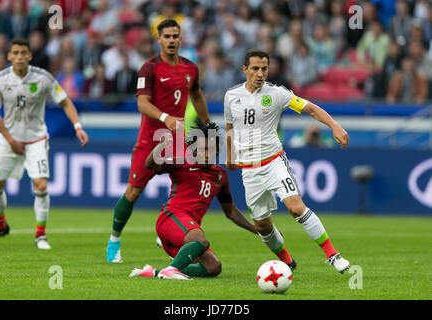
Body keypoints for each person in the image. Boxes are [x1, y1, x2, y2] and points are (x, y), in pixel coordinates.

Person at [224, 49, 351, 273]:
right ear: (244, 70)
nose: (260, 73)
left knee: (295, 207)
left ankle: (332, 254)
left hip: (273, 161)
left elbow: (310, 108)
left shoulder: (277, 94)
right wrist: (229, 156)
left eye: (264, 68)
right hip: (249, 168)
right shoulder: (231, 96)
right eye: (255, 69)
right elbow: (230, 127)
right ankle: (286, 260)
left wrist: (334, 126)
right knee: (262, 225)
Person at [106, 19, 210, 263]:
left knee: (193, 189)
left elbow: (197, 96)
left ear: (181, 38)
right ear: (159, 39)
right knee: (133, 192)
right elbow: (142, 103)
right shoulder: (149, 68)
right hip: (150, 141)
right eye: (167, 36)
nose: (172, 40)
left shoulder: (191, 69)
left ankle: (174, 231)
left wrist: (208, 127)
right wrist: (166, 118)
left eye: (175, 36)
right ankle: (114, 240)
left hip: (178, 142)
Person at [0, 38, 89, 250]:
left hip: (36, 139)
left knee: (40, 185)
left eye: (24, 53)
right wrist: (10, 140)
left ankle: (40, 235)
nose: (20, 57)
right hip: (8, 139)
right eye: (16, 53)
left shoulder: (43, 78)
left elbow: (65, 101)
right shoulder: (0, 80)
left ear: (30, 56)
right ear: (9, 56)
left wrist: (77, 126)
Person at [130, 121, 258, 280]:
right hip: (170, 219)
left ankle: (154, 272)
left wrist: (257, 230)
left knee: (213, 267)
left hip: (187, 237)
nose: (206, 154)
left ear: (218, 150)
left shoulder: (220, 175)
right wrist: (161, 146)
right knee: (202, 240)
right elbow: (150, 165)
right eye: (203, 149)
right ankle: (170, 270)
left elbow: (230, 211)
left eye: (211, 149)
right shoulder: (182, 162)